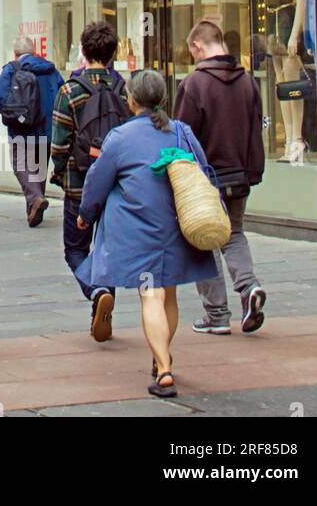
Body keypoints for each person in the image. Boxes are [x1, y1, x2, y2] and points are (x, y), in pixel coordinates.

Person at [76, 69, 219, 396]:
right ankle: (162, 355)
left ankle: (164, 369)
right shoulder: (181, 132)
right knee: (168, 294)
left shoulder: (120, 137)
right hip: (177, 225)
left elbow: (97, 182)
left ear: (132, 100)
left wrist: (85, 216)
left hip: (138, 228)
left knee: (150, 294)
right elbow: (204, 169)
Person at [173, 19, 267, 336]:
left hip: (204, 178)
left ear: (198, 46)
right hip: (239, 174)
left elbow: (182, 136)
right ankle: (249, 286)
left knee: (203, 240)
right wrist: (253, 172)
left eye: (192, 52)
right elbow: (256, 131)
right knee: (234, 233)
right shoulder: (248, 82)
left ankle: (217, 315)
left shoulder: (194, 84)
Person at [50, 20, 129, 342]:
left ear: (83, 51)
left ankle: (96, 293)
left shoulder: (70, 90)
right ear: (114, 52)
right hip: (115, 183)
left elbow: (58, 142)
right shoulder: (124, 88)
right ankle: (102, 298)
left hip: (78, 182)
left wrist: (57, 170)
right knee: (106, 249)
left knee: (75, 249)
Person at [0, 35, 62, 227]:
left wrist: (11, 114)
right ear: (34, 52)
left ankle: (35, 200)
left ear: (16, 53)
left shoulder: (11, 69)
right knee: (38, 169)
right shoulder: (50, 69)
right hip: (46, 128)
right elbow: (62, 92)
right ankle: (33, 208)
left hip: (21, 128)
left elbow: (1, 97)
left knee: (20, 164)